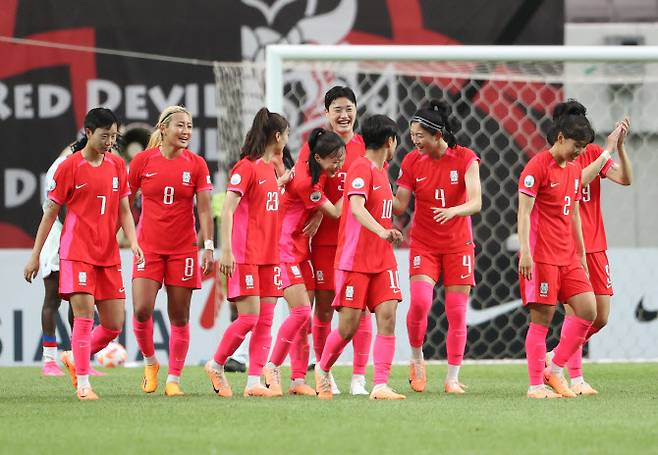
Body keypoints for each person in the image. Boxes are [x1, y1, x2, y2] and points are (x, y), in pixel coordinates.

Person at [24, 107, 144, 400]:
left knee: (114, 324)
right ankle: (84, 384)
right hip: (77, 251)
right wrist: (35, 255)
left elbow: (124, 210)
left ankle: (74, 358)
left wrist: (135, 241)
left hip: (108, 253)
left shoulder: (117, 165)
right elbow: (50, 214)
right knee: (84, 318)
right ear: (89, 133)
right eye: (105, 135)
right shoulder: (69, 167)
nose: (109, 141)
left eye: (114, 136)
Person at [517, 99, 621, 399]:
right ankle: (536, 385)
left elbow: (574, 212)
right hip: (543, 257)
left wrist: (580, 253)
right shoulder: (536, 166)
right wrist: (525, 251)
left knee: (589, 311)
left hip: (569, 256)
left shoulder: (574, 170)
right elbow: (523, 212)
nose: (579, 152)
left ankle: (555, 367)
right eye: (576, 146)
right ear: (560, 138)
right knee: (543, 319)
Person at [393, 99, 482, 394]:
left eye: (420, 135)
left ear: (437, 135)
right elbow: (401, 206)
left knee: (457, 313)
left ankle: (452, 377)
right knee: (420, 303)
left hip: (459, 246)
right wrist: (374, 185)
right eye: (412, 135)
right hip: (424, 244)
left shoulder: (466, 158)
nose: (414, 140)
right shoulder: (411, 162)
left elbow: (476, 201)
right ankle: (417, 359)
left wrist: (455, 211)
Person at [315, 114, 405, 400]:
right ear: (390, 141)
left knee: (388, 316)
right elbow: (355, 207)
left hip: (383, 259)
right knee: (348, 326)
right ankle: (323, 368)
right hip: (355, 259)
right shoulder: (360, 168)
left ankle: (380, 385)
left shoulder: (382, 170)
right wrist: (383, 231)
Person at [129, 105, 214, 397]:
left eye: (190, 126)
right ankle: (151, 363)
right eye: (180, 125)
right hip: (149, 248)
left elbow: (204, 209)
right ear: (163, 129)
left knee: (179, 315)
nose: (186, 131)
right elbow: (125, 204)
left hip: (182, 250)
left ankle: (173, 379)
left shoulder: (197, 164)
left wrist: (208, 246)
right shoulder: (142, 161)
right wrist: (127, 235)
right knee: (141, 309)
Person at [204, 107, 288, 398]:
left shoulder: (269, 169)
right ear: (277, 136)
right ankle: (216, 364)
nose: (287, 140)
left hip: (269, 256)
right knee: (249, 318)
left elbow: (264, 203)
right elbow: (228, 209)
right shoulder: (246, 167)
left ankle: (253, 381)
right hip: (246, 254)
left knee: (265, 321)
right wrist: (226, 251)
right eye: (286, 135)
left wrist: (282, 185)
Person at [548, 103, 631, 395]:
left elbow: (625, 179)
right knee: (577, 313)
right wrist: (606, 150)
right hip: (568, 245)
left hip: (596, 244)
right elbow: (575, 183)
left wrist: (618, 147)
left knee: (601, 317)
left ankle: (556, 356)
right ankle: (576, 378)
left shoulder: (593, 153)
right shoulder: (558, 160)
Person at [297, 86, 372, 395]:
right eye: (336, 109)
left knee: (362, 310)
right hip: (326, 242)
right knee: (326, 310)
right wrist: (318, 210)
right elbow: (305, 184)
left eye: (348, 108)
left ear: (356, 110)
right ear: (326, 114)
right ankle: (322, 370)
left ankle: (359, 377)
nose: (343, 115)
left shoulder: (366, 146)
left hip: (358, 241)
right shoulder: (313, 145)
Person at [263, 128, 345, 396]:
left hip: (301, 248)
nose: (339, 166)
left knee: (304, 319)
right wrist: (357, 185)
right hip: (283, 247)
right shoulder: (306, 183)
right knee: (299, 313)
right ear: (319, 158)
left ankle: (298, 379)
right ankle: (272, 367)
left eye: (342, 160)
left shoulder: (309, 164)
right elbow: (334, 211)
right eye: (335, 160)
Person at [39, 146, 73, 376]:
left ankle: (76, 357)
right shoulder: (62, 167)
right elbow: (59, 210)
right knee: (53, 299)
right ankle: (49, 359)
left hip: (78, 240)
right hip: (57, 240)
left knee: (80, 301)